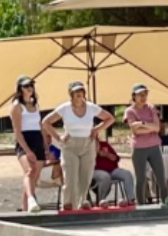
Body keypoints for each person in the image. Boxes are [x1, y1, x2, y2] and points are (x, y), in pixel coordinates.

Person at [41, 82, 115, 211]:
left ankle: (80, 206)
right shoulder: (65, 108)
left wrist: (96, 129)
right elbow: (45, 122)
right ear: (71, 94)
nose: (79, 94)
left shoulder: (91, 107)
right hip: (70, 145)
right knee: (71, 179)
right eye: (76, 92)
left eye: (81, 91)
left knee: (85, 179)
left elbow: (110, 118)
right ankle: (69, 206)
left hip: (88, 144)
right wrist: (58, 137)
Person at [124, 83, 168, 204]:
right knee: (141, 179)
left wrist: (142, 123)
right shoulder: (130, 111)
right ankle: (141, 204)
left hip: (154, 146)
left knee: (161, 177)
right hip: (139, 148)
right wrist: (149, 127)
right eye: (140, 94)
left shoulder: (151, 108)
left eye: (145, 94)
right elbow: (135, 130)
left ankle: (166, 202)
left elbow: (157, 128)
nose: (143, 97)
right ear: (134, 96)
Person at [10, 76, 45, 213]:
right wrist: (28, 150)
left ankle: (26, 208)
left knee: (34, 177)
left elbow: (40, 126)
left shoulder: (35, 104)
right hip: (25, 140)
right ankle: (31, 199)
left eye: (31, 86)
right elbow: (17, 131)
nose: (29, 88)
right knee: (30, 171)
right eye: (26, 86)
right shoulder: (16, 106)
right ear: (20, 89)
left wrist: (46, 146)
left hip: (37, 140)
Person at [91, 137, 135, 206]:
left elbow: (116, 158)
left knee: (127, 174)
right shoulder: (87, 148)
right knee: (105, 176)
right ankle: (101, 202)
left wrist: (107, 155)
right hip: (96, 171)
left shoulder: (104, 144)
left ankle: (130, 200)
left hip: (112, 170)